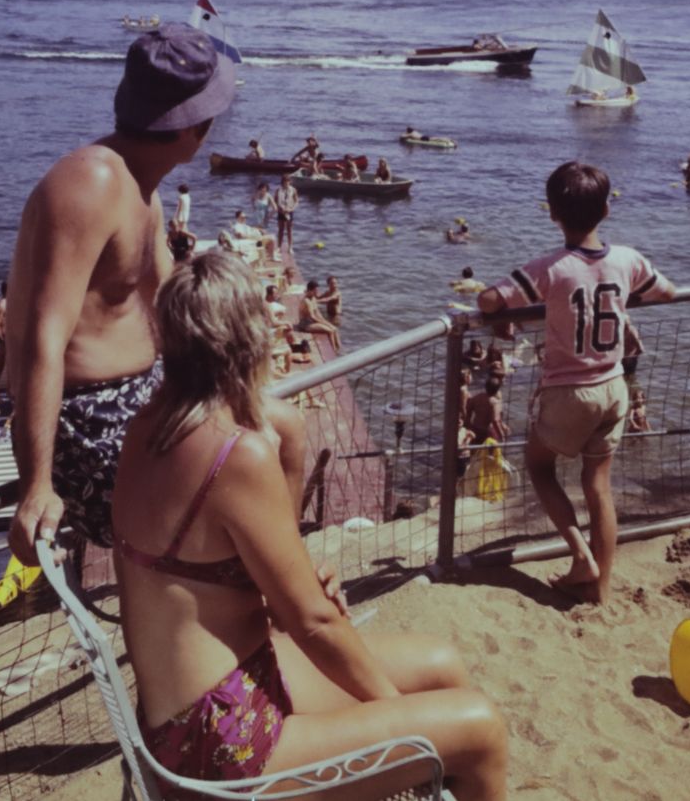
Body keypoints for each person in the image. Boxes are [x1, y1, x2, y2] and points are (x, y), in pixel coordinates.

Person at [104, 251, 509, 795]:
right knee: (479, 728)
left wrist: (299, 587)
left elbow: (256, 590)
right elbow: (313, 624)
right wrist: (405, 723)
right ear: (249, 339)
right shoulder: (236, 455)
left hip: (200, 709)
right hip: (220, 748)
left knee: (441, 664)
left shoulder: (148, 427)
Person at [5, 24, 283, 562]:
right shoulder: (90, 183)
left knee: (284, 429)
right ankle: (269, 605)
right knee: (252, 464)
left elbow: (171, 308)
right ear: (195, 128)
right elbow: (44, 338)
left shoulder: (144, 194)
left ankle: (271, 603)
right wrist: (35, 486)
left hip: (146, 398)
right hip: (88, 426)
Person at [478, 161, 679, 604]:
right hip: (613, 386)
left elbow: (488, 299)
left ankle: (580, 555)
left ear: (551, 213)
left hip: (569, 390)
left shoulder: (551, 268)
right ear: (607, 210)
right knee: (599, 487)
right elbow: (668, 291)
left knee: (539, 466)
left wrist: (503, 317)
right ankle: (601, 590)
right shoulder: (627, 260)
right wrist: (623, 298)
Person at [463, 376, 506, 446]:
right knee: (489, 454)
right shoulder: (495, 403)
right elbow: (495, 420)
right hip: (488, 432)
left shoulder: (477, 397)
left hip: (475, 428)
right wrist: (501, 435)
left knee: (475, 452)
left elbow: (468, 410)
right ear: (497, 389)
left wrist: (468, 425)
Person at [273, 174, 299, 252]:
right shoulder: (278, 190)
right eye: (284, 182)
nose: (286, 183)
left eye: (287, 181)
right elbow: (275, 201)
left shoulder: (293, 190)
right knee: (280, 229)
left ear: (290, 182)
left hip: (289, 211)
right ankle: (279, 247)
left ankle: (290, 247)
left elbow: (296, 201)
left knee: (289, 230)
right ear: (282, 182)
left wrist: (292, 209)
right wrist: (279, 209)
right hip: (281, 211)